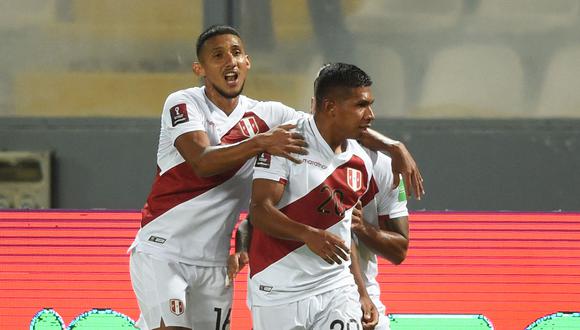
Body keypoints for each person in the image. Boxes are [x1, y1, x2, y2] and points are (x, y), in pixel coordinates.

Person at [129, 24, 423, 330]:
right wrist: (261, 142)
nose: (230, 61)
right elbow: (202, 162)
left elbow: (328, 123)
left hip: (216, 262)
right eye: (218, 56)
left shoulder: (269, 114)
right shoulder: (184, 103)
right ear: (199, 69)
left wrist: (393, 146)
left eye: (237, 53)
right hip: (163, 250)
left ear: (248, 62)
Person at [248, 62, 381, 329]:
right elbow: (259, 210)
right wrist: (308, 234)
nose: (370, 115)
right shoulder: (286, 141)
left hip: (335, 287)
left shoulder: (360, 161)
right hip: (278, 287)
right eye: (360, 105)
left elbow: (343, 232)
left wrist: (362, 293)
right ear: (331, 107)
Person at [351, 151, 410, 330]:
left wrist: (360, 226)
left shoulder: (385, 168)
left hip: (361, 295)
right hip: (289, 290)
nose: (369, 120)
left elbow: (399, 251)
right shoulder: (305, 157)